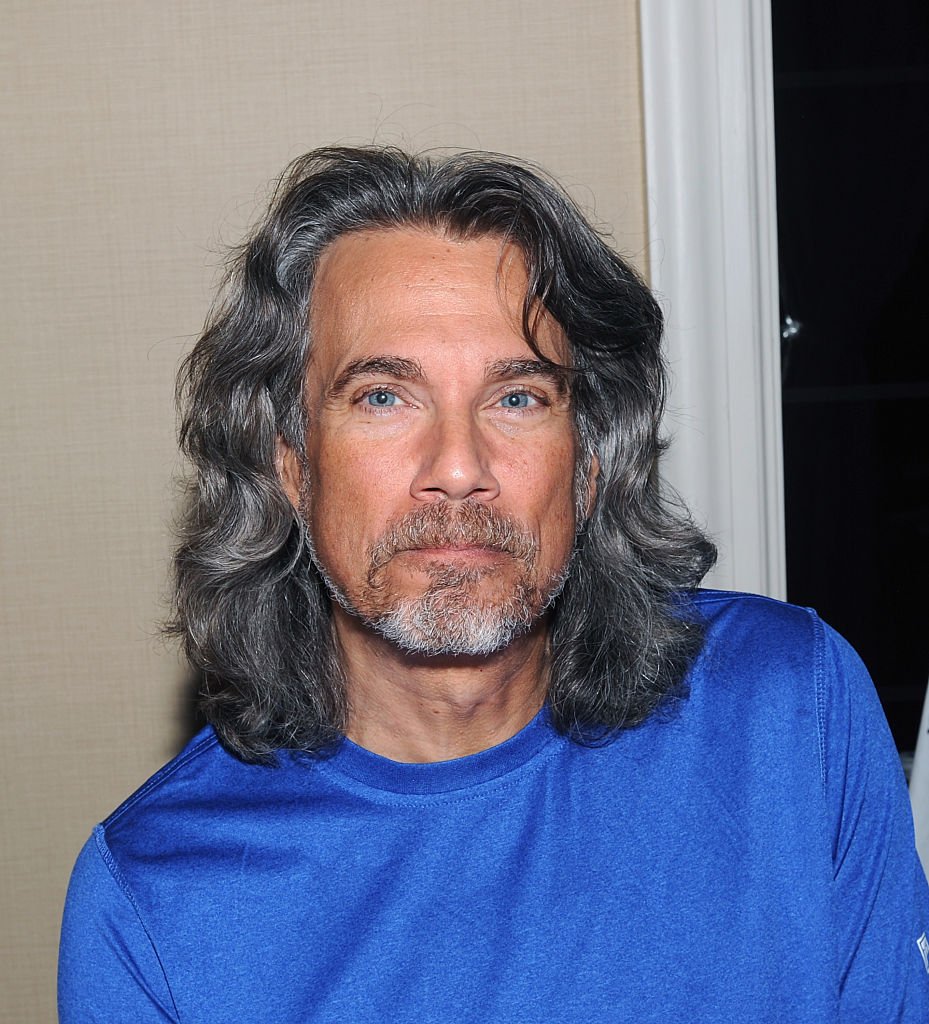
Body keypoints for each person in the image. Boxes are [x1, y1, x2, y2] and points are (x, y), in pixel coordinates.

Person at [59, 146, 929, 1022]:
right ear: (291, 467)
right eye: (382, 398)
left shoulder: (790, 713)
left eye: (516, 398)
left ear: (589, 464)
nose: (458, 468)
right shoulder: (153, 901)